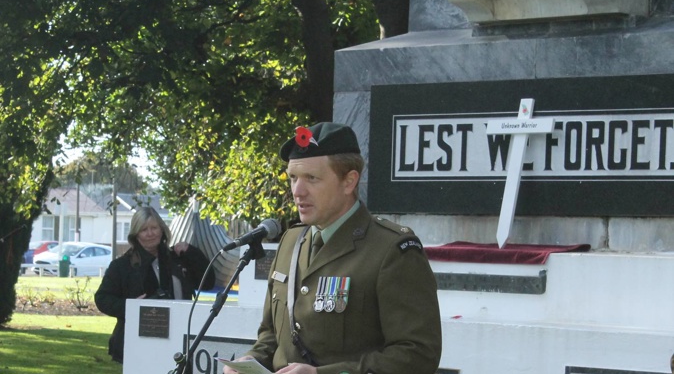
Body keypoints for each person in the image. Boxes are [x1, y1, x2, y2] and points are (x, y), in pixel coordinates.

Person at [225, 122, 442, 374]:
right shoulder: (290, 242)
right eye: (293, 178)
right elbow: (272, 336)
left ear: (349, 182)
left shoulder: (391, 250)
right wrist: (252, 360)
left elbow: (418, 355)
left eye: (312, 179)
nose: (297, 191)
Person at [95, 206, 216, 364]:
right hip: (138, 341)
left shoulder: (178, 259)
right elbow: (102, 298)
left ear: (162, 230)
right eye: (144, 229)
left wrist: (192, 253)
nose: (150, 233)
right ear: (136, 234)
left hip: (180, 336)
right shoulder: (122, 266)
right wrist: (131, 307)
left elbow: (208, 282)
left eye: (154, 228)